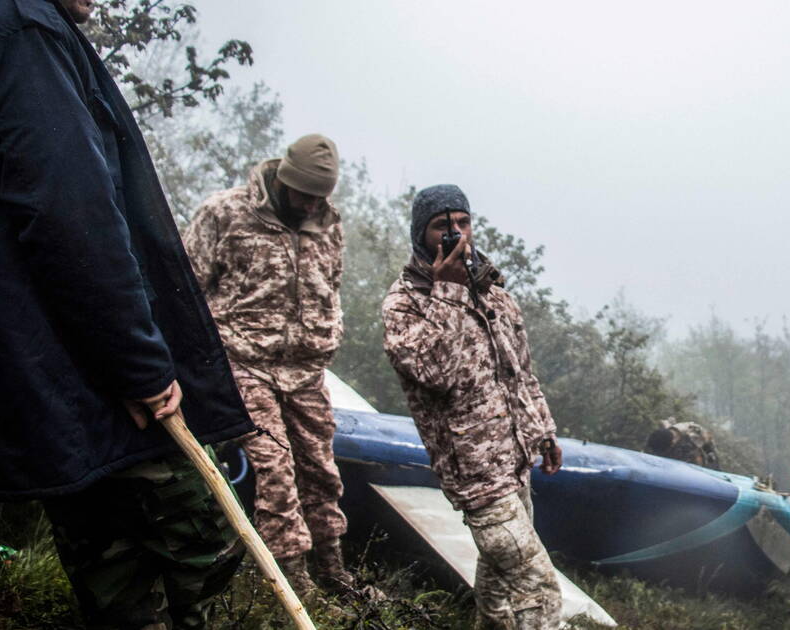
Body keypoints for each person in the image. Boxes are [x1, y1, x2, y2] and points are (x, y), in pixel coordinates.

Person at [0, 0, 255, 626]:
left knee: (113, 575)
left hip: (49, 377)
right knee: (194, 554)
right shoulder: (28, 28)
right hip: (93, 375)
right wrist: (138, 362)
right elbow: (70, 210)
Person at [382, 184, 563, 629]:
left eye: (463, 222)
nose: (456, 233)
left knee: (500, 585)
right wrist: (448, 291)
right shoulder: (403, 304)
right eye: (442, 227)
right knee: (537, 588)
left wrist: (543, 430)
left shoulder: (493, 291)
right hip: (475, 471)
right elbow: (435, 372)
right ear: (420, 234)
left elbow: (519, 370)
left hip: (515, 457)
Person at [183, 134, 351, 595]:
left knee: (321, 470)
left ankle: (332, 571)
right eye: (305, 195)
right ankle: (292, 580)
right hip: (243, 363)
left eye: (321, 197)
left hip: (305, 371)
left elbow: (330, 286)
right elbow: (187, 288)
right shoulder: (226, 214)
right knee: (275, 467)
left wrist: (327, 333)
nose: (311, 205)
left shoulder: (328, 224)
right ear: (283, 180)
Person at [645, 418, 721, 469]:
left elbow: (708, 443)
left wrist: (711, 459)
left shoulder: (693, 433)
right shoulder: (660, 437)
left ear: (672, 443)